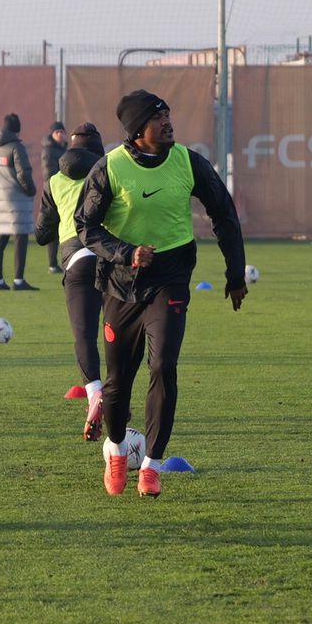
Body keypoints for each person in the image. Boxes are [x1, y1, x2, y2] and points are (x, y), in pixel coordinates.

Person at [76, 90, 246, 499]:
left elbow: (223, 212)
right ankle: (117, 451)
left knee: (163, 365)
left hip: (170, 278)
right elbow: (86, 227)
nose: (168, 122)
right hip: (121, 283)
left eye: (169, 114)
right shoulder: (110, 168)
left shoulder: (188, 162)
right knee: (118, 384)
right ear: (138, 132)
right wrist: (127, 253)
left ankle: (151, 465)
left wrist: (235, 272)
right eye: (159, 118)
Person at [34, 122, 107, 440]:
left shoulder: (54, 181)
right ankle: (117, 392)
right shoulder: (110, 173)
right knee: (120, 332)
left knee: (84, 335)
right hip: (114, 259)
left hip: (76, 262)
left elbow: (41, 235)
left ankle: (95, 393)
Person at [0, 113, 38, 290]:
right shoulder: (17, 147)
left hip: (0, 198)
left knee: (0, 240)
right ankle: (18, 280)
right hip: (17, 199)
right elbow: (23, 173)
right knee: (20, 238)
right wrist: (31, 190)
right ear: (17, 129)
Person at [39, 121, 69, 274]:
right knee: (54, 228)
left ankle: (61, 261)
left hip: (64, 193)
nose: (60, 135)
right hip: (54, 193)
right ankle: (52, 263)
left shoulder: (64, 150)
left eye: (62, 132)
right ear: (52, 134)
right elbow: (49, 174)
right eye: (57, 132)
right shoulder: (49, 151)